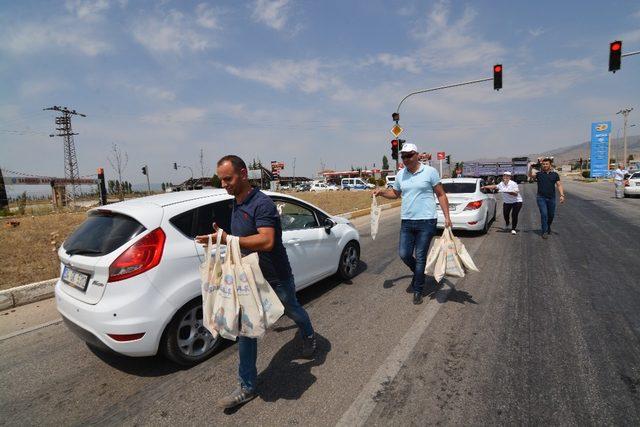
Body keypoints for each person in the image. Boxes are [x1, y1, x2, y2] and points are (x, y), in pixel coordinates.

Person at [195, 155, 316, 409]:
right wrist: (218, 239)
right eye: (221, 179)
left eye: (228, 178)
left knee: (292, 309)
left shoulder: (262, 204)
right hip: (248, 279)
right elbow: (239, 240)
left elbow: (267, 241)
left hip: (275, 276)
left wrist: (228, 239)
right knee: (246, 331)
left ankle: (308, 334)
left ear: (243, 174)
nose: (224, 184)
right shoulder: (236, 204)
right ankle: (247, 386)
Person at [373, 143, 452, 305]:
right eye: (403, 156)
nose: (406, 159)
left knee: (421, 256)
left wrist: (447, 217)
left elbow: (441, 195)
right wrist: (381, 192)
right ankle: (419, 273)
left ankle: (418, 289)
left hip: (427, 221)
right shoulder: (401, 174)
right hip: (407, 221)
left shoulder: (430, 172)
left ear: (417, 155)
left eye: (409, 155)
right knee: (404, 254)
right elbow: (395, 194)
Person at [529, 158, 565, 239]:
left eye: (546, 164)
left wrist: (562, 195)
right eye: (543, 164)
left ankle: (548, 226)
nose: (545, 165)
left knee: (551, 215)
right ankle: (544, 231)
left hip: (551, 198)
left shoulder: (555, 175)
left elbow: (559, 185)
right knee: (544, 214)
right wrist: (531, 168)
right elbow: (530, 175)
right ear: (542, 165)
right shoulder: (539, 174)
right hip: (541, 198)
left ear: (550, 165)